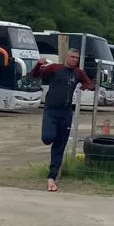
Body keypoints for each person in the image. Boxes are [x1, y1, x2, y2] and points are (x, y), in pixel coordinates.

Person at [30, 49, 95, 192]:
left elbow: (90, 84)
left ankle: (51, 178)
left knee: (59, 147)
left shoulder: (78, 73)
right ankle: (50, 138)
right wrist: (38, 64)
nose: (74, 60)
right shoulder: (55, 68)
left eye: (77, 58)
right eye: (72, 57)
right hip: (51, 111)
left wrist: (86, 86)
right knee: (47, 138)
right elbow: (35, 75)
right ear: (66, 57)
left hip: (66, 113)